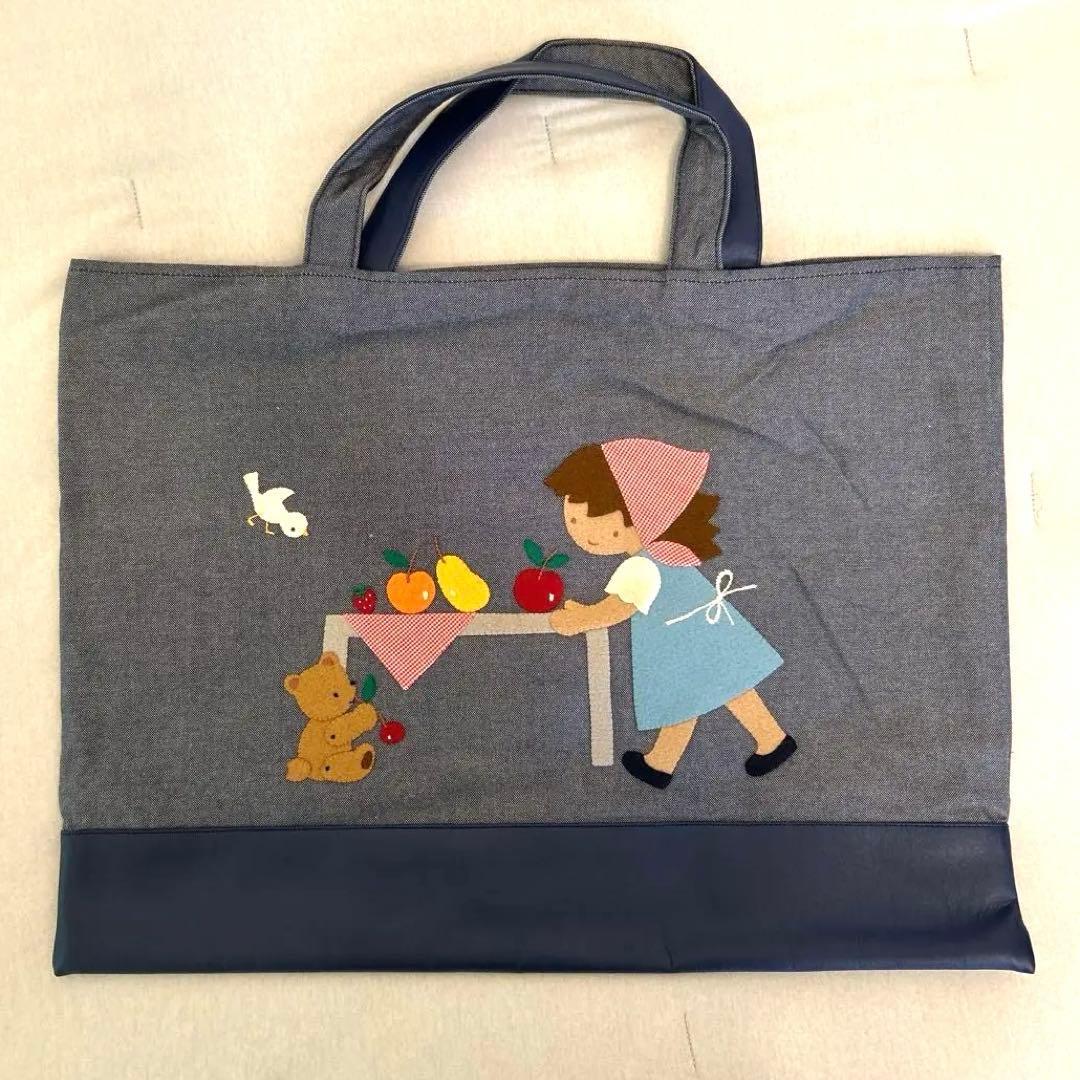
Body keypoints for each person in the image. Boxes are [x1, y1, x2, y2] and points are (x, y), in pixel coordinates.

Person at [544, 439, 796, 789]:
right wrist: (588, 613)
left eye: (585, 518)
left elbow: (619, 607)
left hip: (683, 639)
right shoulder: (665, 553)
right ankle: (765, 741)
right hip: (698, 634)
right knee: (720, 687)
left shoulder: (642, 566)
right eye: (571, 518)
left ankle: (666, 762)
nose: (576, 530)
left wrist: (579, 621)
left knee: (690, 695)